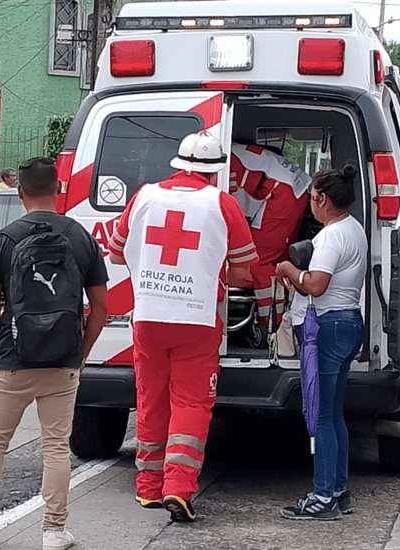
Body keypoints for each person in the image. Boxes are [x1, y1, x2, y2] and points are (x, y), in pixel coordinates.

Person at [0, 157, 109, 550]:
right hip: (62, 362)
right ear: (58, 190)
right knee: (55, 445)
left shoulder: (4, 239)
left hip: (11, 360)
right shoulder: (80, 237)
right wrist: (80, 352)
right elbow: (100, 306)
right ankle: (54, 530)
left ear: (20, 193)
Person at [108, 131, 258, 523]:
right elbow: (243, 272)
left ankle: (148, 489)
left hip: (149, 318)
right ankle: (179, 488)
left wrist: (151, 273)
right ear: (214, 171)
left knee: (150, 397)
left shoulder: (144, 196)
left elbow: (117, 250)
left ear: (178, 164)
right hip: (197, 319)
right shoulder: (222, 205)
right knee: (191, 403)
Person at [275, 166, 366, 521]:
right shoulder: (354, 229)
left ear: (322, 198)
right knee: (335, 413)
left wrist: (288, 270)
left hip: (326, 326)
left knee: (321, 415)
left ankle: (322, 495)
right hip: (348, 321)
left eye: (311, 197)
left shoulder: (330, 237)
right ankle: (338, 489)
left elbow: (316, 285)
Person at [229, 143, 310, 327]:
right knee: (278, 258)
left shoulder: (224, 161)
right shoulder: (231, 151)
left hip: (284, 193)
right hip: (295, 187)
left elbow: (226, 206)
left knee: (257, 260)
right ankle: (286, 312)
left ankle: (274, 324)